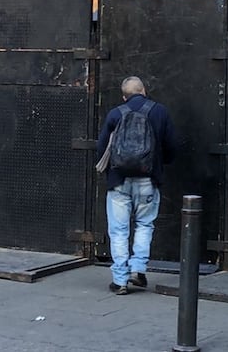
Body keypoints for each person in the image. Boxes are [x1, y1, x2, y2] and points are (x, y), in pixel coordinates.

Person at [96, 76, 177, 295]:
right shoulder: (159, 111)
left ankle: (120, 281)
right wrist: (160, 163)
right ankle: (138, 270)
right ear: (144, 90)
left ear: (124, 96)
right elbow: (172, 146)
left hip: (119, 181)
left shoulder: (116, 113)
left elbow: (102, 147)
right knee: (144, 225)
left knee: (119, 231)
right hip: (148, 181)